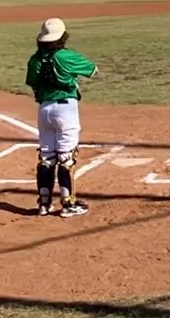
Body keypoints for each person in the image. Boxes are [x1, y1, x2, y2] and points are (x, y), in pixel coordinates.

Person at [26, 18, 97, 217]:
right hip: (66, 109)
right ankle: (68, 204)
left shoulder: (35, 59)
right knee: (66, 157)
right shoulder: (66, 56)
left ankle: (44, 204)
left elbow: (32, 82)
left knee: (47, 156)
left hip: (44, 109)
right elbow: (93, 69)